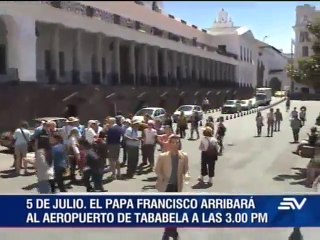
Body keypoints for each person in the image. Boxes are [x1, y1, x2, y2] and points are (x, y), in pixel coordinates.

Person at [155, 134, 189, 240]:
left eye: (177, 142)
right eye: (173, 142)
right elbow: (157, 170)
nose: (175, 144)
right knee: (167, 210)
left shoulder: (184, 156)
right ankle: (169, 231)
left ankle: (172, 231)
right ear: (169, 144)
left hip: (177, 186)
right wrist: (162, 177)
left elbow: (186, 169)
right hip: (166, 186)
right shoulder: (163, 156)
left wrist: (187, 175)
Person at [34, 121, 56, 194]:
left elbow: (52, 143)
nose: (50, 128)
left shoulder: (50, 133)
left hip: (47, 152)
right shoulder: (41, 133)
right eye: (49, 126)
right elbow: (36, 142)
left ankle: (49, 184)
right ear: (47, 126)